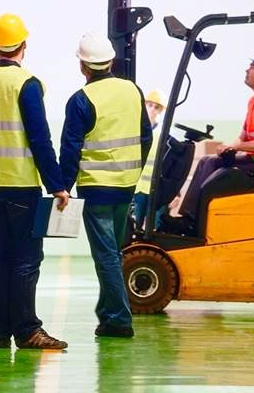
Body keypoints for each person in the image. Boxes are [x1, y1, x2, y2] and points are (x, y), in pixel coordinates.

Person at [0, 13, 70, 351]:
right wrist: (56, 184)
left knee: (2, 256)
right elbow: (40, 139)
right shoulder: (26, 83)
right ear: (24, 45)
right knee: (26, 257)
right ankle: (27, 330)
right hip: (20, 184)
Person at [59, 33, 153, 338]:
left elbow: (70, 149)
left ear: (83, 66)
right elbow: (146, 136)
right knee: (112, 251)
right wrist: (134, 170)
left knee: (107, 255)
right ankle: (107, 313)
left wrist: (63, 186)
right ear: (110, 61)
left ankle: (119, 320)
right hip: (126, 185)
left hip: (96, 187)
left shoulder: (81, 100)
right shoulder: (133, 91)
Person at [173, 50, 254, 231]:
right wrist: (229, 147)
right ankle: (188, 217)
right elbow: (243, 136)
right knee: (208, 161)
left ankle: (192, 222)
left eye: (253, 67)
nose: (247, 70)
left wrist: (236, 146)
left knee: (218, 173)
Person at [131, 89, 178, 231]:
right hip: (138, 188)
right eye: (150, 105)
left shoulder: (165, 133)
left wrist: (176, 192)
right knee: (134, 226)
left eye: (156, 107)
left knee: (156, 227)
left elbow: (171, 163)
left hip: (157, 187)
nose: (152, 109)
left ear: (160, 111)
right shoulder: (135, 129)